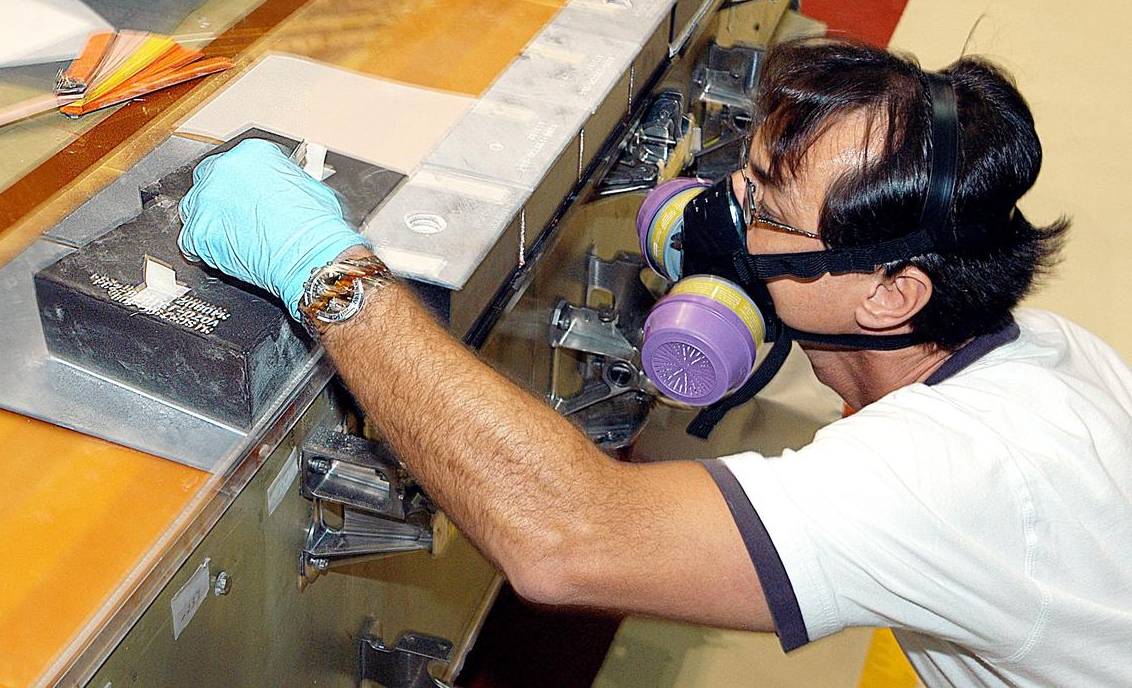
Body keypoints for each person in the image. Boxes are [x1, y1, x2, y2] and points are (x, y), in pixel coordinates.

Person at [177, 39, 1132, 686]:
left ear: (887, 292)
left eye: (761, 211)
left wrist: (325, 268)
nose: (714, 216)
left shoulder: (947, 475)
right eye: (742, 178)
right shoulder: (1046, 353)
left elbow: (564, 537)